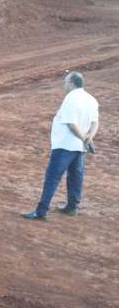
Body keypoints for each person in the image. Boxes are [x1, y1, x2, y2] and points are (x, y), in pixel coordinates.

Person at [22, 72, 99, 220]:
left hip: (65, 145)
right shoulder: (91, 99)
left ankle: (41, 211)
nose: (64, 86)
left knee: (52, 178)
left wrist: (84, 138)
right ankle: (72, 207)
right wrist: (89, 138)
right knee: (76, 177)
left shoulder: (71, 98)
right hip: (79, 147)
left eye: (65, 83)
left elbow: (71, 124)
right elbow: (95, 123)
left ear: (72, 84)